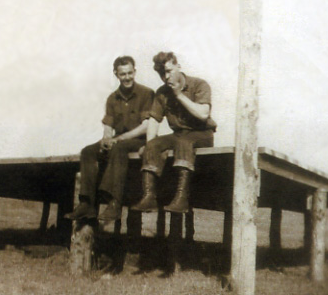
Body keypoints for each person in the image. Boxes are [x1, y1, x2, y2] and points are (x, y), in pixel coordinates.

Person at [65, 56, 154, 221]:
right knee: (88, 151)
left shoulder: (146, 94)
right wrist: (106, 139)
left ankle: (114, 203)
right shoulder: (112, 98)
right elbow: (108, 125)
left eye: (129, 73)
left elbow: (146, 126)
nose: (127, 78)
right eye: (122, 74)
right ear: (116, 74)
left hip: (138, 141)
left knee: (118, 148)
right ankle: (87, 204)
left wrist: (117, 140)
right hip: (118, 140)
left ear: (135, 72)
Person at [131, 51, 217, 213]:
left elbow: (203, 113)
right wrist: (149, 146)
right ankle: (149, 197)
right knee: (153, 144)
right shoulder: (162, 92)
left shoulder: (199, 85)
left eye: (169, 71)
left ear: (178, 66)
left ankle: (181, 199)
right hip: (179, 134)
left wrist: (179, 95)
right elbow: (155, 120)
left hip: (202, 133)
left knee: (184, 142)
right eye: (162, 74)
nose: (166, 77)